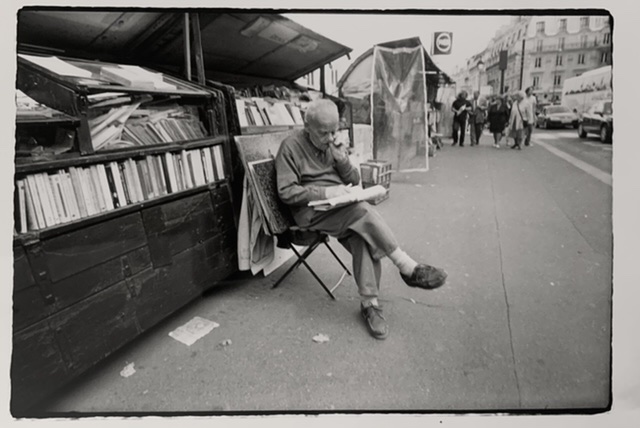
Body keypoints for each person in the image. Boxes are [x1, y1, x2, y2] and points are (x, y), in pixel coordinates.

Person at [275, 99, 447, 340]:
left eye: (334, 131)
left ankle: (370, 304)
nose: (330, 137)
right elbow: (286, 192)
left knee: (362, 238)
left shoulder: (332, 145)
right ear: (307, 126)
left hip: (340, 207)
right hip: (311, 212)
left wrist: (341, 158)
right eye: (323, 133)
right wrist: (326, 192)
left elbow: (354, 179)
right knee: (362, 211)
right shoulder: (290, 147)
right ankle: (406, 266)